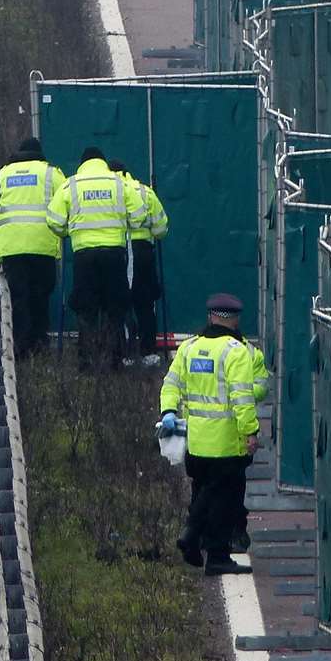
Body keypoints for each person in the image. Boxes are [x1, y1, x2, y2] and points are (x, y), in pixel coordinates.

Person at [159, 293, 270, 576]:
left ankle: (194, 538)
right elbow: (242, 398)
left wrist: (168, 412)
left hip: (196, 441)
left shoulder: (189, 348)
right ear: (233, 319)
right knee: (223, 499)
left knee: (204, 491)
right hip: (226, 442)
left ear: (211, 316)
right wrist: (250, 432)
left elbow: (171, 383)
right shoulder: (236, 351)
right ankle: (214, 552)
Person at [45, 146, 147, 370]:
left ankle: (86, 360)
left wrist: (67, 231)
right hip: (114, 255)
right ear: (103, 161)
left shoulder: (70, 185)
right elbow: (140, 216)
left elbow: (53, 219)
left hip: (84, 257)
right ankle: (115, 360)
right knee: (115, 307)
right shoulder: (119, 183)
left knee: (86, 308)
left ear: (82, 163)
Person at [0, 137, 67, 359]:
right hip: (43, 247)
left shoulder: (1, 176)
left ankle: (20, 349)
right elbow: (67, 204)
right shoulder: (52, 174)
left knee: (18, 299)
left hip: (11, 249)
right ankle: (40, 346)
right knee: (41, 297)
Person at [108, 160, 170, 365]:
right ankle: (148, 352)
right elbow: (161, 228)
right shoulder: (145, 192)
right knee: (145, 303)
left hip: (118, 251)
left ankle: (125, 353)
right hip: (143, 251)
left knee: (120, 302)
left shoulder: (108, 190)